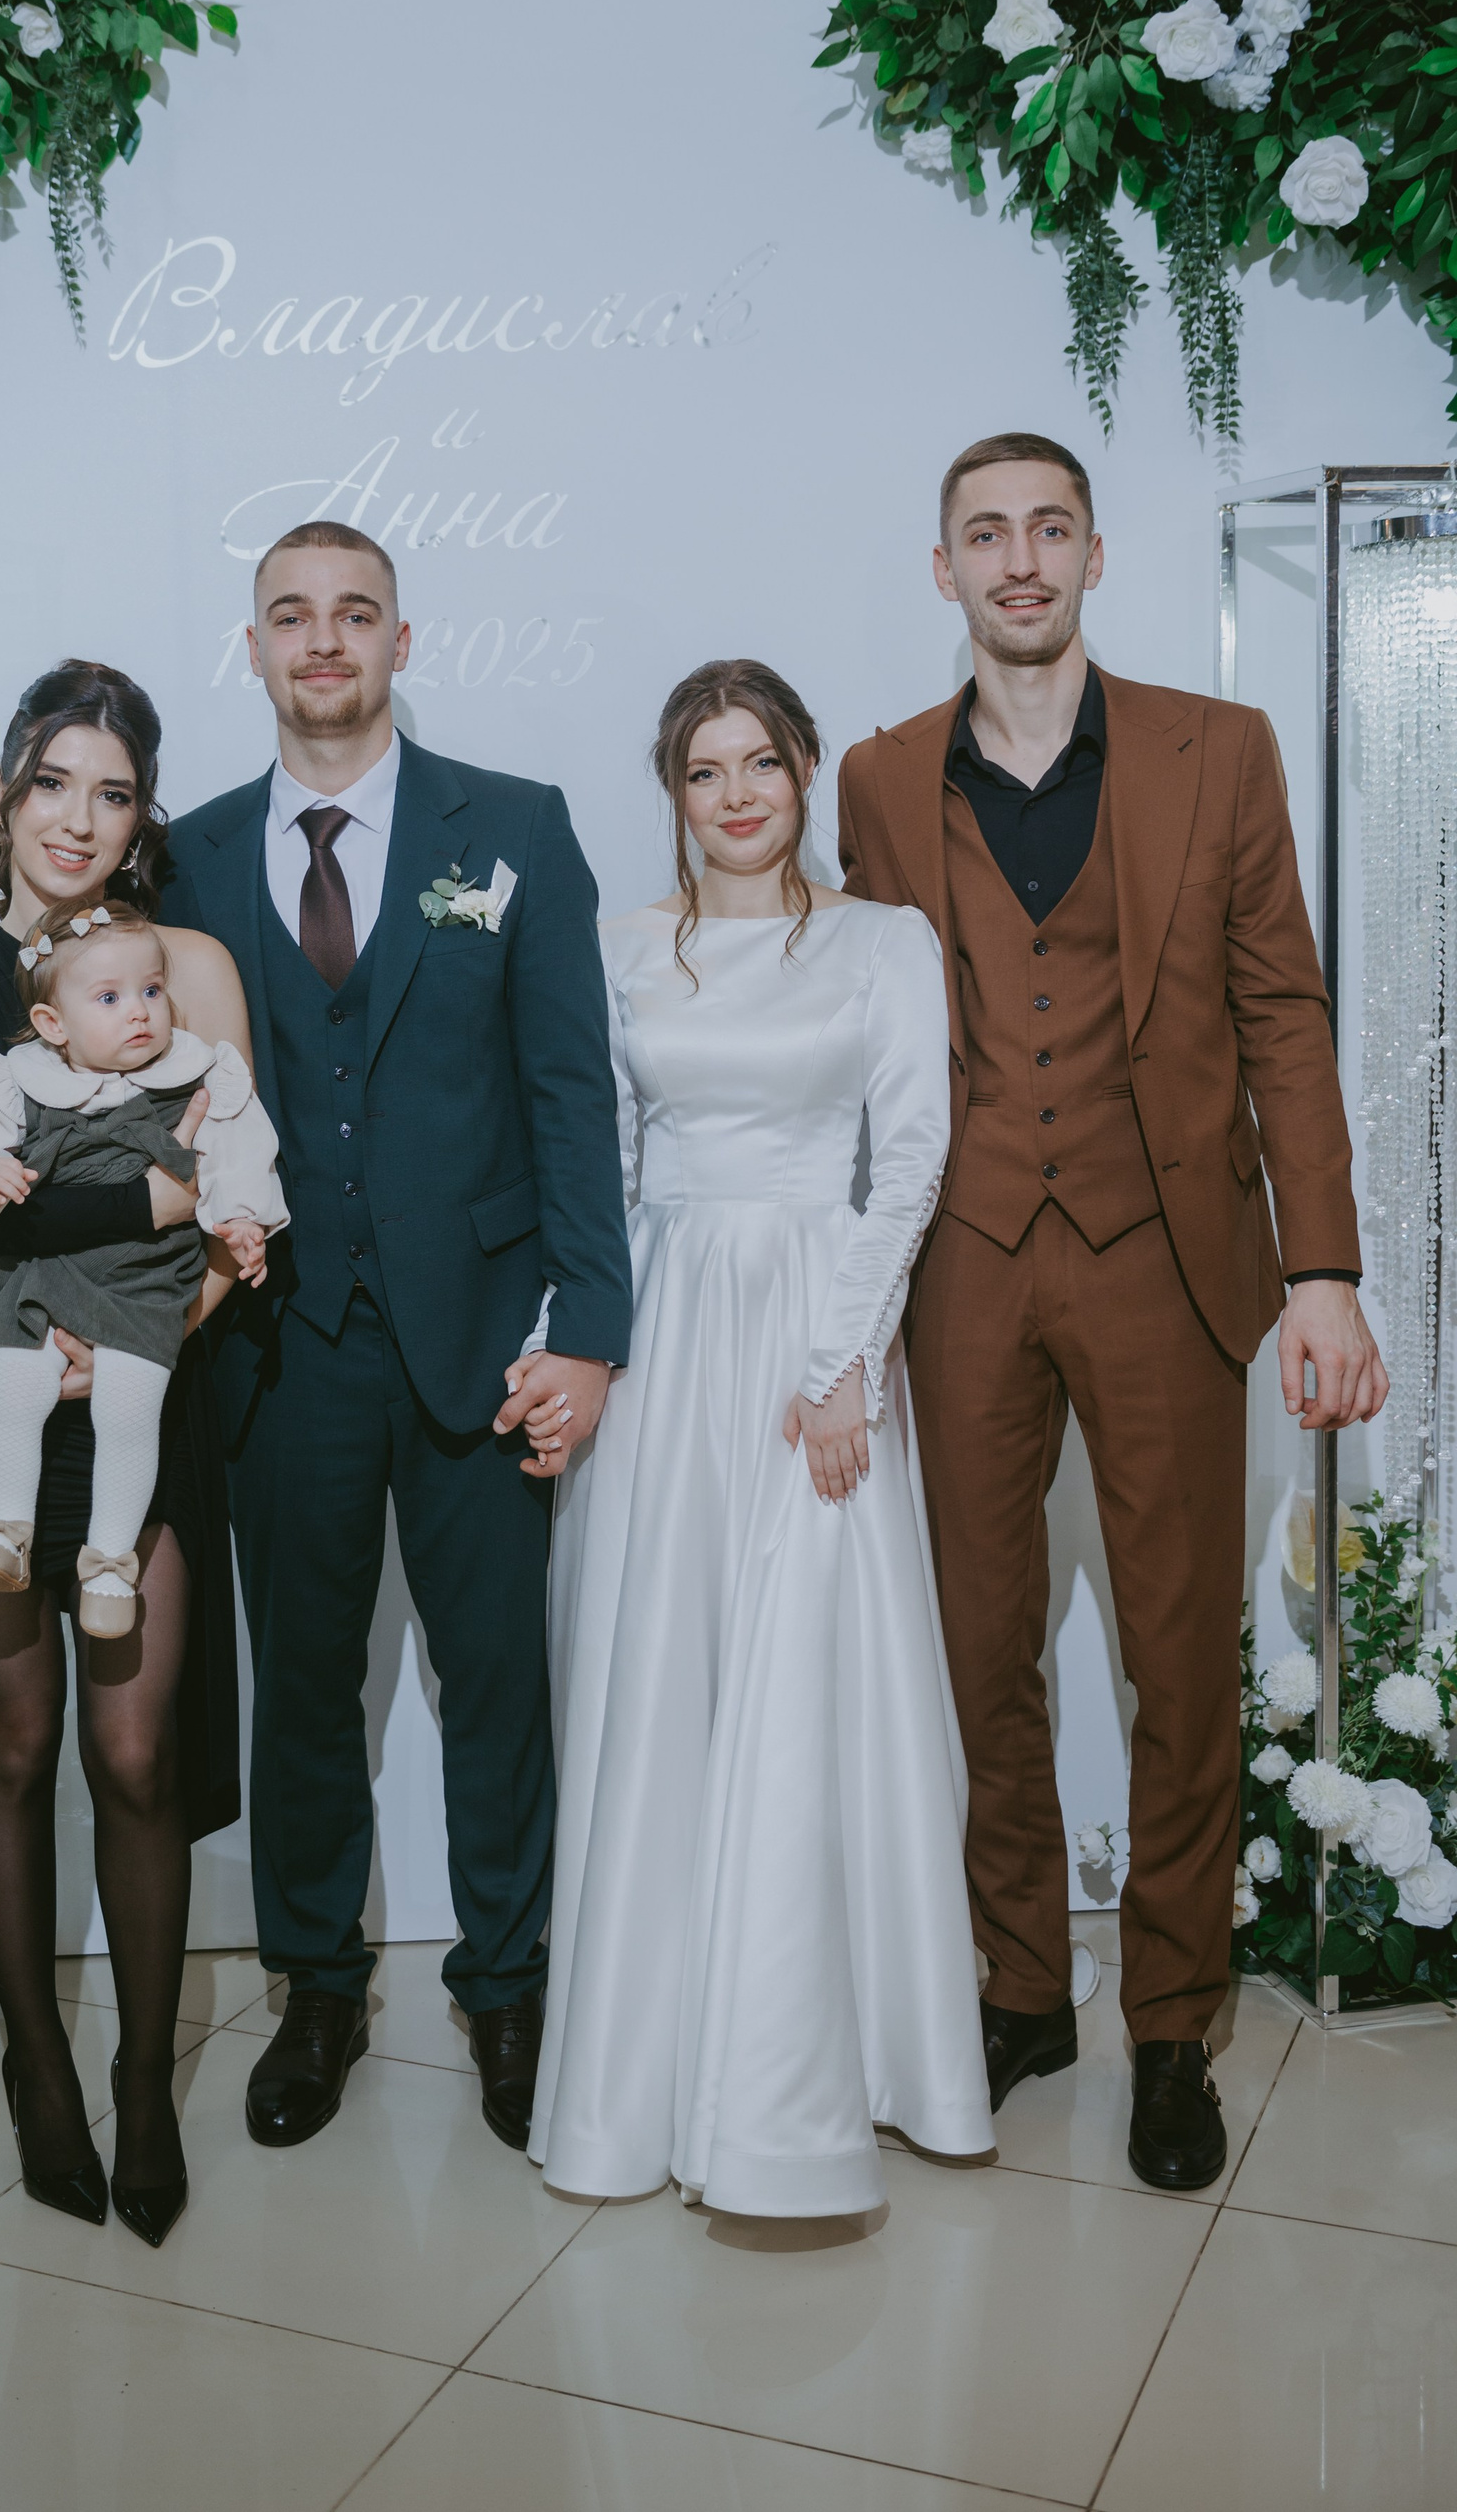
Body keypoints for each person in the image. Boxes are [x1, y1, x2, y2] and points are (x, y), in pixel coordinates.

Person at [837, 432, 1387, 2193]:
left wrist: (1322, 1268)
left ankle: (1171, 2019)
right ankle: (1018, 1987)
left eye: (1049, 528)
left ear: (1093, 554)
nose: (1019, 559)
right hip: (963, 1255)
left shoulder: (1218, 749)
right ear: (943, 569)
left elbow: (1283, 1009)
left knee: (1179, 1653)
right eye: (985, 534)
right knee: (977, 1645)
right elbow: (859, 1037)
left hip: (1168, 1253)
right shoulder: (876, 776)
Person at [161, 519, 633, 2153]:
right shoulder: (188, 856)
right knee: (303, 1687)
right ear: (254, 649)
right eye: (291, 615)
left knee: (495, 1681)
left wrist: (592, 1327)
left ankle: (509, 1988)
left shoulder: (512, 827)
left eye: (354, 613)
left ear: (400, 642)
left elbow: (571, 1091)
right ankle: (317, 1986)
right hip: (278, 1344)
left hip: (484, 1336)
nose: (324, 640)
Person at [529, 660, 993, 2214]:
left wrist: (845, 1357)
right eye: (703, 770)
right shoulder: (618, 947)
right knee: (664, 1676)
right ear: (674, 792)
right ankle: (646, 2074)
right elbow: (595, 1166)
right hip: (665, 1332)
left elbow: (910, 1156)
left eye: (762, 763)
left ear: (805, 771)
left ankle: (829, 2069)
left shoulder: (883, 941)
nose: (735, 795)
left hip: (814, 1318)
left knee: (810, 1677)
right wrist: (574, 1346)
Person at [0, 660, 255, 2248]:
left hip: (142, 1399)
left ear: (140, 815)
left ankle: (144, 2084)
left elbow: (241, 1202)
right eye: (53, 781)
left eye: (112, 791)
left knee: (135, 1754)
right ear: (5, 792)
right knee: (17, 1745)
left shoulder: (185, 971)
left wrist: (156, 1310)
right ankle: (38, 2064)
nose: (79, 817)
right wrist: (156, 1197)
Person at [0, 895, 285, 1633]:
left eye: (151, 990)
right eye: (110, 998)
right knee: (15, 1386)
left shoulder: (197, 1076)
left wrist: (243, 1220)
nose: (139, 1012)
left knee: (129, 1410)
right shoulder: (17, 1081)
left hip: (145, 1284)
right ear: (52, 1024)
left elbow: (238, 1154)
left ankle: (111, 1563)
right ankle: (3, 1531)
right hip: (38, 1278)